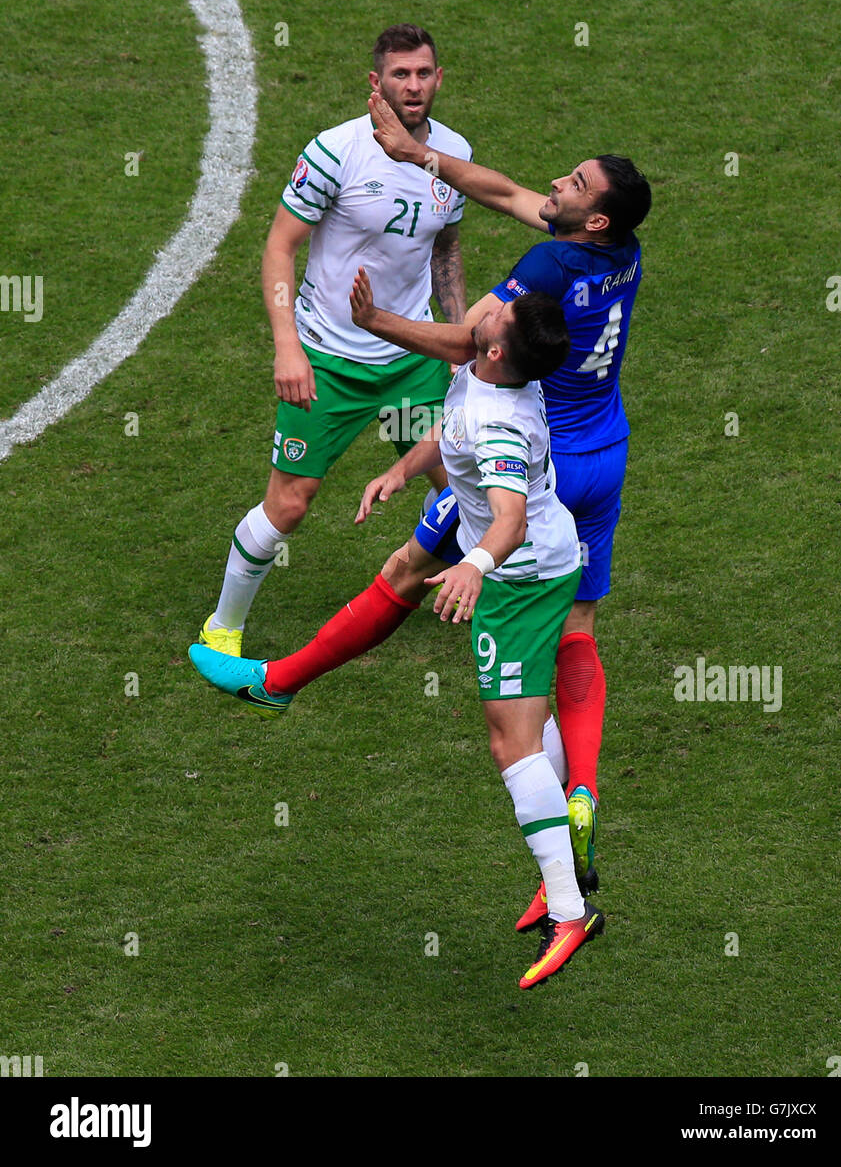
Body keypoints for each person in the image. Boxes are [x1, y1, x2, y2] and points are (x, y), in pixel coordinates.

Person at [201, 100, 651, 924]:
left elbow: (469, 343)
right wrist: (420, 155)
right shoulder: (622, 251)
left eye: (574, 181)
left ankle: (280, 681)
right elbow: (511, 192)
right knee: (576, 635)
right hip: (602, 455)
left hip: (528, 463)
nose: (555, 181)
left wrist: (377, 321)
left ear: (592, 217)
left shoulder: (545, 275)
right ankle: (579, 789)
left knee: (415, 571)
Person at [190, 292, 605, 989]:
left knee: (513, 745)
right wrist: (400, 468)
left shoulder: (503, 422)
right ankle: (568, 830)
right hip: (546, 564)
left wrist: (473, 569)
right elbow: (451, 422)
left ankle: (569, 908)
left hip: (520, 580)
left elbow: (506, 521)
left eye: (493, 319)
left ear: (497, 350)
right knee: (520, 727)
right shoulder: (491, 367)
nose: (483, 313)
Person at [197, 26, 470, 655]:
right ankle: (224, 625)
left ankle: (487, 595)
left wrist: (457, 346)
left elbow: (446, 250)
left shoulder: (452, 155)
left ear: (438, 79)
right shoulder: (334, 152)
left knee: (461, 480)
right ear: (376, 83)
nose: (413, 85)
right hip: (328, 360)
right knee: (290, 504)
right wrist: (288, 347)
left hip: (412, 358)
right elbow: (279, 246)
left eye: (424, 73)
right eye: (400, 75)